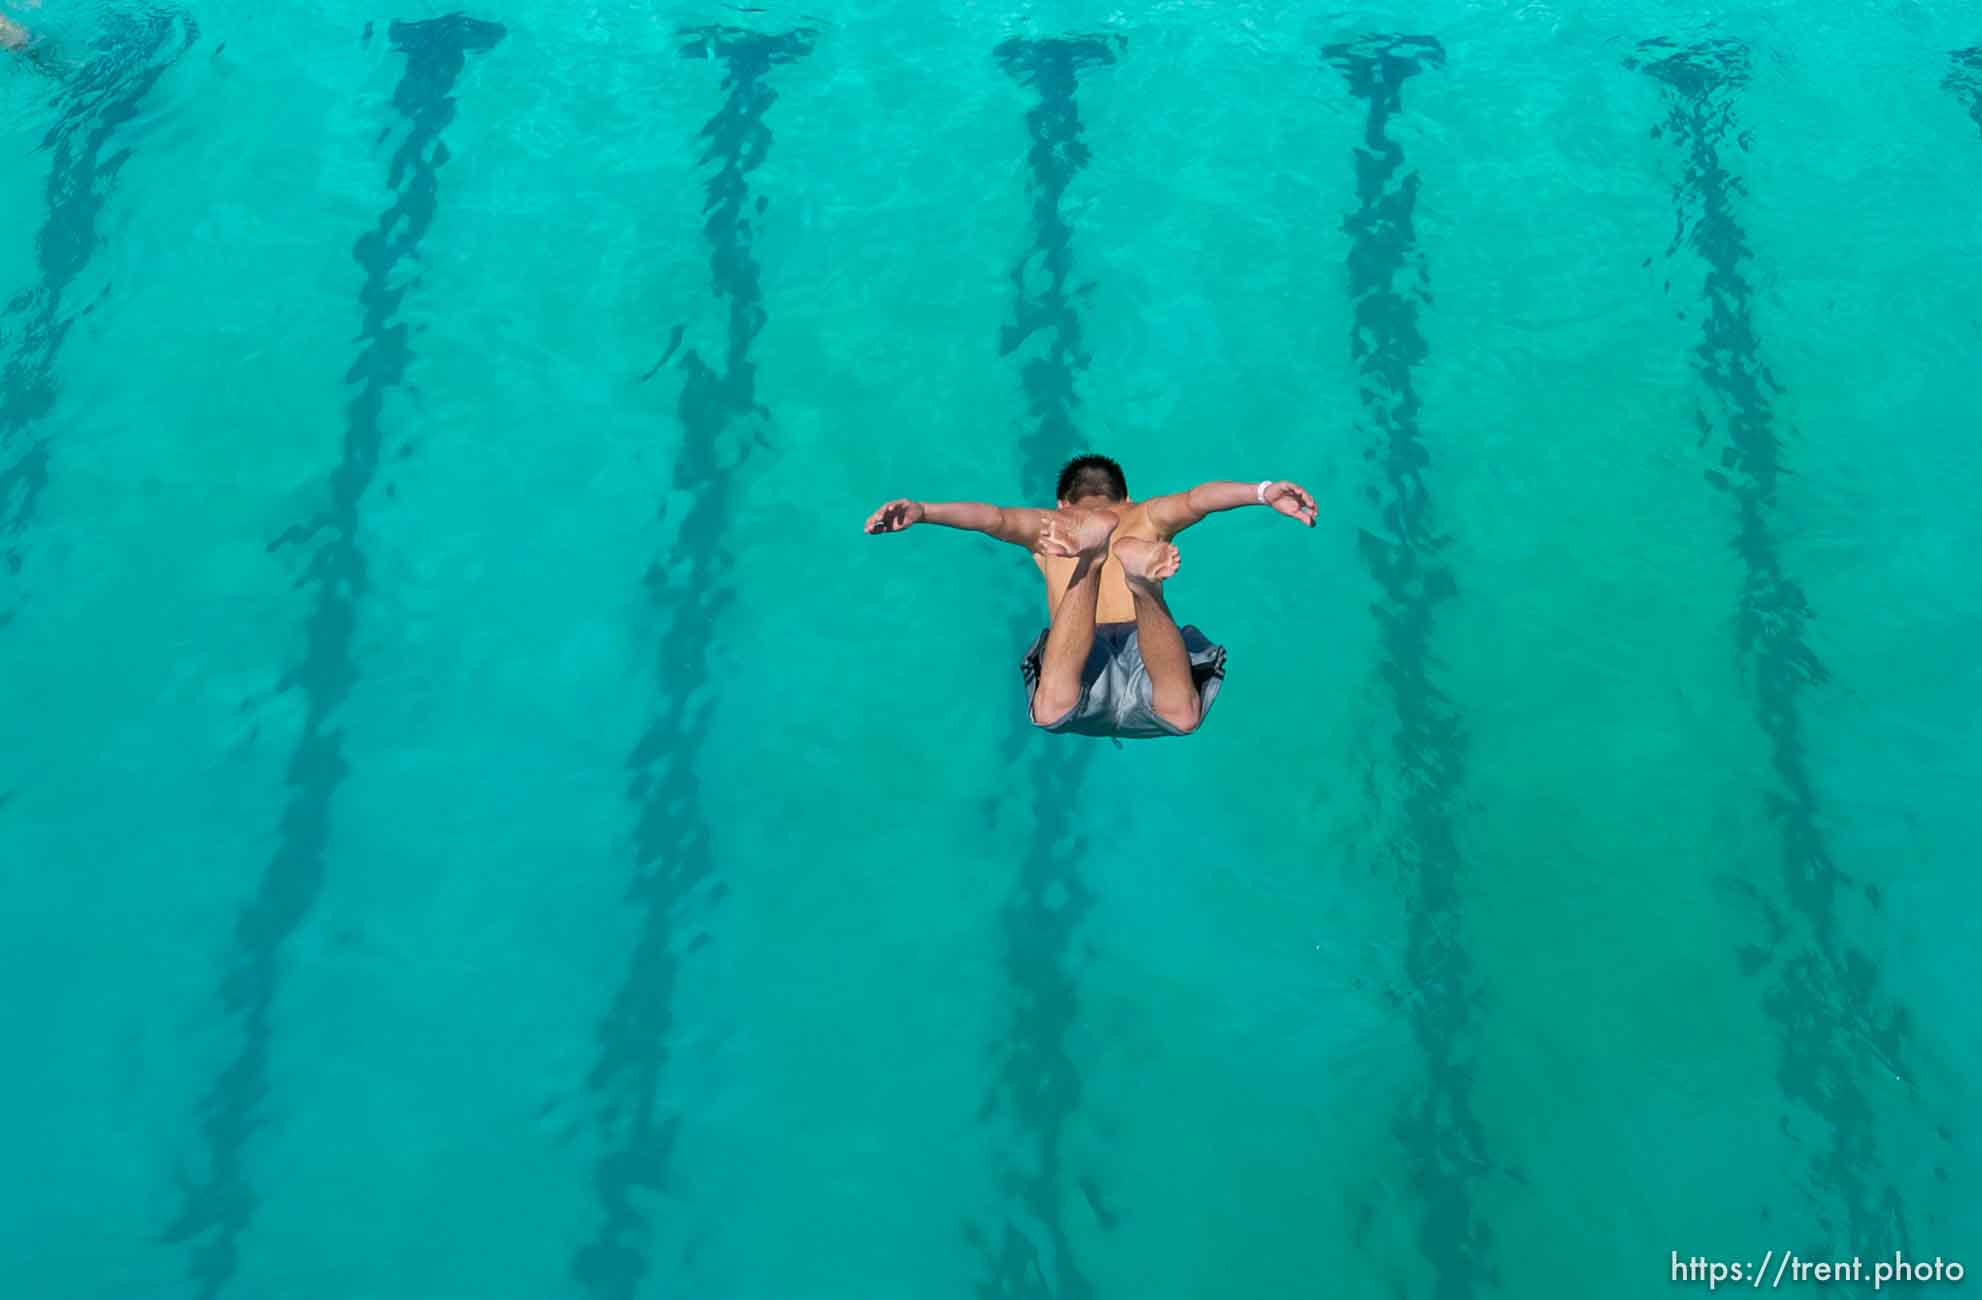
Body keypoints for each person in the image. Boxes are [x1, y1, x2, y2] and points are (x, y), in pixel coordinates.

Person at [864, 454, 1316, 739]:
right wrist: (1262, 492)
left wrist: (924, 511)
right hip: (1151, 647)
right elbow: (1200, 498)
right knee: (1181, 715)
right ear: (1126, 496)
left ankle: (1089, 563)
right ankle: (1144, 588)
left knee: (1051, 707)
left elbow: (991, 517)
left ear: (1063, 501)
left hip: (1077, 650)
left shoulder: (1052, 526)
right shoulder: (1146, 514)